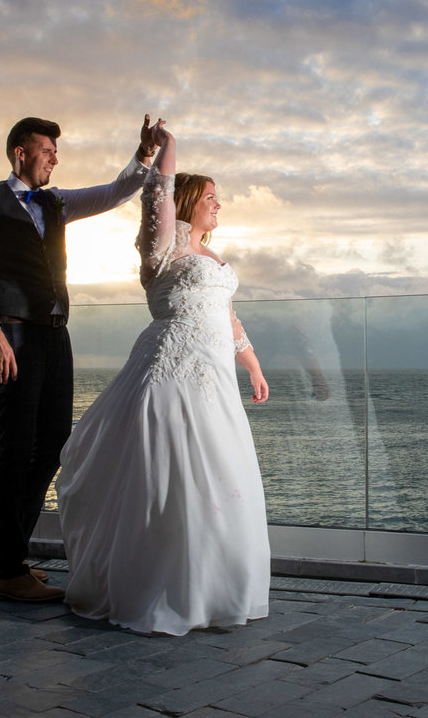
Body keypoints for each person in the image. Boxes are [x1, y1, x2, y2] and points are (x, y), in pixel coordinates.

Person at [55, 121, 271, 636]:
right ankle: (163, 588)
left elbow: (229, 317)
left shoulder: (213, 258)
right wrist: (167, 149)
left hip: (215, 374)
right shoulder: (164, 249)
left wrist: (254, 366)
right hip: (171, 368)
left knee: (217, 474)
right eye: (212, 197)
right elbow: (157, 195)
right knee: (169, 476)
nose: (220, 205)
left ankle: (213, 587)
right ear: (190, 199)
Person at [0, 113, 160, 603]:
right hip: (13, 338)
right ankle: (10, 573)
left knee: (54, 444)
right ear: (20, 153)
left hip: (54, 336)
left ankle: (5, 549)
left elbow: (113, 192)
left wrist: (143, 155)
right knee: (15, 447)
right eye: (47, 151)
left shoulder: (56, 202)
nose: (55, 158)